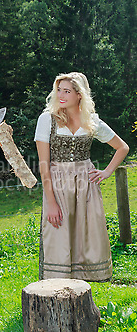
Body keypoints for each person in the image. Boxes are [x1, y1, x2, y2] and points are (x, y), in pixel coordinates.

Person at [34, 72, 129, 281]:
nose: (61, 95)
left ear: (80, 95)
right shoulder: (47, 119)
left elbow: (122, 147)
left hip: (85, 184)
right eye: (59, 90)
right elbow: (44, 165)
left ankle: (81, 283)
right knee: (58, 232)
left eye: (67, 91)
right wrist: (50, 202)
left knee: (86, 231)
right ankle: (57, 284)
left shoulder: (91, 121)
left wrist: (107, 172)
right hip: (58, 183)